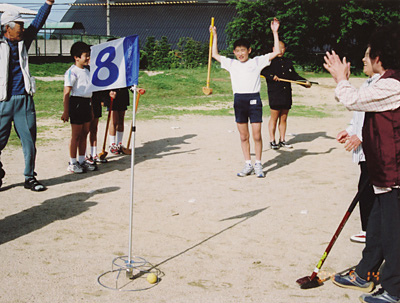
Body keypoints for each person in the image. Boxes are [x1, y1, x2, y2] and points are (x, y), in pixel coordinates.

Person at [324, 24, 400, 303]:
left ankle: (394, 289)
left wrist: (341, 78)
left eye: (368, 53)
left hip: (394, 173)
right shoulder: (382, 83)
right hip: (381, 168)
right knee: (378, 226)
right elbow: (369, 109)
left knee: (394, 234)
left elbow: (353, 99)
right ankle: (365, 272)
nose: (364, 59)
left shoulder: (394, 83)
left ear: (379, 55)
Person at [211, 18, 281, 178]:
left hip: (254, 101)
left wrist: (275, 32)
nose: (240, 53)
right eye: (237, 51)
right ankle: (247, 164)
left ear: (249, 50)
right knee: (244, 136)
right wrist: (215, 35)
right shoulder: (231, 64)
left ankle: (258, 164)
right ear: (234, 52)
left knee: (256, 135)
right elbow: (214, 54)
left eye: (243, 50)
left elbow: (276, 52)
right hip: (239, 101)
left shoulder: (257, 61)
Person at [0, 0, 55, 191]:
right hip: (2, 101)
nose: (23, 28)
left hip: (23, 99)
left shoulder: (25, 41)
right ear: (7, 27)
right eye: (19, 25)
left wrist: (48, 4)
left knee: (29, 141)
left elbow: (37, 22)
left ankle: (29, 177)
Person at [336, 62, 379, 244]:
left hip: (375, 148)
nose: (363, 60)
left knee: (371, 189)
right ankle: (368, 229)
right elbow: (358, 114)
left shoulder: (382, 85)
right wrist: (350, 130)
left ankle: (372, 231)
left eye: (367, 57)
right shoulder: (367, 84)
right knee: (365, 187)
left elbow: (378, 117)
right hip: (365, 150)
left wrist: (361, 135)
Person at [261, 41, 311, 149]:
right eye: (278, 48)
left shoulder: (288, 62)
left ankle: (282, 140)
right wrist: (271, 76)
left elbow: (294, 76)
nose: (280, 50)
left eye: (282, 48)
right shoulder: (268, 61)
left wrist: (305, 83)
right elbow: (262, 72)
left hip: (286, 93)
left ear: (285, 49)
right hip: (275, 93)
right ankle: (272, 140)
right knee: (274, 118)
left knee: (283, 118)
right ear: (273, 48)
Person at [61, 42, 96, 173]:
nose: (88, 58)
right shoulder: (72, 72)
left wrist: (91, 109)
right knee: (76, 135)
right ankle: (72, 162)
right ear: (76, 57)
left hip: (87, 104)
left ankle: (82, 160)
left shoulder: (87, 71)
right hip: (76, 104)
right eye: (85, 56)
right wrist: (66, 111)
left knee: (85, 133)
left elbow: (89, 92)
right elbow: (66, 92)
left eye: (89, 56)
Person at [107, 87, 130, 154]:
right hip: (113, 93)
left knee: (121, 120)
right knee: (114, 121)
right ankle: (112, 144)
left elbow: (129, 80)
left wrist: (134, 89)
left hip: (123, 93)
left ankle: (119, 143)